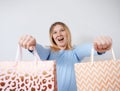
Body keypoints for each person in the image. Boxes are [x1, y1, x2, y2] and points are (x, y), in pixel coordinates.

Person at [19, 22, 112, 91]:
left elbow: (88, 48)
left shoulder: (75, 51)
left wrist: (99, 46)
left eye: (62, 30)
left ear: (67, 33)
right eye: (55, 32)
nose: (59, 34)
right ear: (52, 37)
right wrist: (33, 45)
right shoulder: (49, 51)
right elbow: (40, 51)